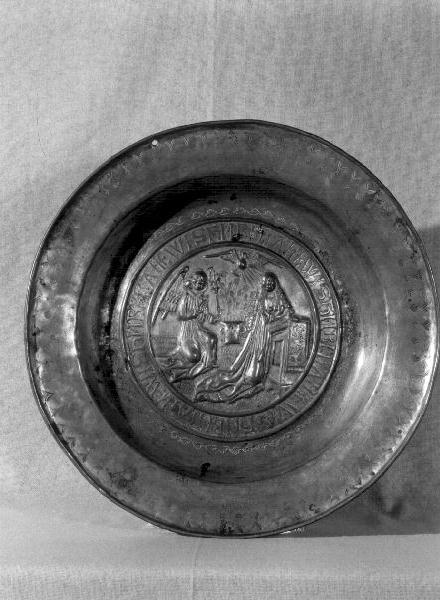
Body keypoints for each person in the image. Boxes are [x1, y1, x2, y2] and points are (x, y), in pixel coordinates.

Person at [195, 272, 297, 402]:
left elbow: (288, 312)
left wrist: (280, 316)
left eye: (271, 282)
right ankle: (243, 379)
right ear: (263, 284)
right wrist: (272, 317)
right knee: (251, 363)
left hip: (271, 331)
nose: (269, 284)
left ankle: (260, 376)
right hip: (261, 333)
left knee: (261, 364)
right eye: (266, 282)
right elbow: (263, 317)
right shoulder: (262, 299)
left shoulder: (279, 298)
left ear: (275, 283)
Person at [164, 270, 218, 383]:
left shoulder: (203, 299)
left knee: (212, 338)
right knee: (194, 357)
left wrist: (209, 317)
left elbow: (205, 314)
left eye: (202, 283)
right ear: (192, 282)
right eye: (196, 282)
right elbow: (180, 316)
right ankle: (179, 368)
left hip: (198, 330)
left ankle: (210, 362)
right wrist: (193, 314)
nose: (199, 284)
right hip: (187, 332)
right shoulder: (186, 297)